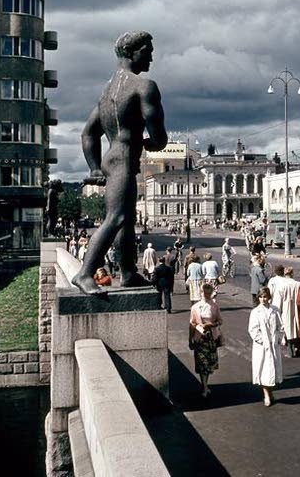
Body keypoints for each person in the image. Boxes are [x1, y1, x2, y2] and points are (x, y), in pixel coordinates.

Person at [72, 31, 167, 295]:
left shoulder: (108, 90)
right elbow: (158, 136)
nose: (151, 56)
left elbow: (88, 133)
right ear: (132, 52)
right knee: (118, 216)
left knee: (125, 221)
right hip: (125, 159)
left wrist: (93, 167)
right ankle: (85, 272)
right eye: (147, 50)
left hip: (111, 159)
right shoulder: (143, 86)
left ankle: (128, 272)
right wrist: (154, 144)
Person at [248, 286, 285, 407]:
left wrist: (278, 338)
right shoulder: (255, 312)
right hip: (262, 347)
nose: (263, 299)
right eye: (260, 297)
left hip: (273, 345)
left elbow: (280, 326)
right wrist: (263, 341)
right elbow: (253, 330)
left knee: (272, 370)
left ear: (269, 298)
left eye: (265, 297)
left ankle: (271, 392)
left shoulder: (275, 310)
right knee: (263, 370)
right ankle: (266, 395)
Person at [189, 282, 223, 398]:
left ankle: (205, 384)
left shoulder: (214, 306)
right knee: (201, 362)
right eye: (205, 293)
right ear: (201, 293)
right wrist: (190, 339)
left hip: (211, 337)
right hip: (199, 337)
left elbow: (220, 321)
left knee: (208, 364)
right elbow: (192, 324)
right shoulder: (195, 307)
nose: (206, 295)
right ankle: (204, 386)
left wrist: (212, 324)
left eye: (209, 293)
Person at [279, 266, 300, 357]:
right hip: (297, 309)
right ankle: (298, 348)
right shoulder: (299, 284)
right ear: (292, 273)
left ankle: (290, 351)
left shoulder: (281, 286)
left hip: (286, 310)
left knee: (288, 329)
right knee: (297, 329)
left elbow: (278, 301)